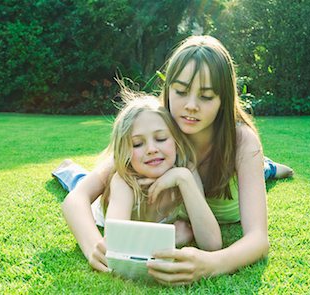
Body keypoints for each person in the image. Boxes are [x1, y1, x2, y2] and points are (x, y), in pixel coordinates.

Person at [57, 35, 294, 284]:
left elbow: (258, 239)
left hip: (234, 180)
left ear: (223, 99)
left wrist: (211, 264)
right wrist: (95, 246)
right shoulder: (157, 131)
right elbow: (77, 199)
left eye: (206, 96)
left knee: (262, 167)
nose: (190, 106)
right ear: (168, 89)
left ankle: (269, 167)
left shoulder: (242, 143)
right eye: (181, 91)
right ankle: (69, 170)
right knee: (90, 180)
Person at [84, 86, 221, 250]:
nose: (151, 149)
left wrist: (183, 178)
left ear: (176, 143)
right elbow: (116, 242)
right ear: (126, 151)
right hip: (99, 208)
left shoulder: (185, 170)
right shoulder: (124, 182)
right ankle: (67, 168)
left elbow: (212, 244)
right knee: (76, 178)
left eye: (161, 139)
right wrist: (170, 238)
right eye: (138, 144)